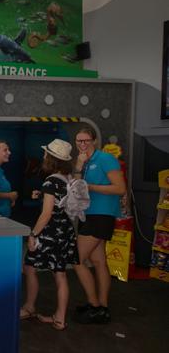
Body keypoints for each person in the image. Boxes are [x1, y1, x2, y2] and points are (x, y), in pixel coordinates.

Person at [20, 139, 79, 331]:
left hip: (49, 233)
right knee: (60, 274)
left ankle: (29, 307)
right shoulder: (67, 178)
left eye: (46, 154)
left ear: (52, 159)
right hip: (65, 231)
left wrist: (33, 234)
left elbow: (46, 214)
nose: (43, 157)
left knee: (29, 267)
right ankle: (59, 319)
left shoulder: (50, 181)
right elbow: (59, 202)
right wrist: (42, 195)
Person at [71, 127, 126, 324]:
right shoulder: (84, 161)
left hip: (101, 215)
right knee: (99, 262)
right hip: (88, 214)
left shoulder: (105, 159)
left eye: (86, 141)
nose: (82, 145)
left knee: (77, 260)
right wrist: (78, 165)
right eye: (79, 141)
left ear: (94, 140)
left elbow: (120, 188)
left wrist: (91, 187)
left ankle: (94, 305)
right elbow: (78, 187)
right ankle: (102, 306)